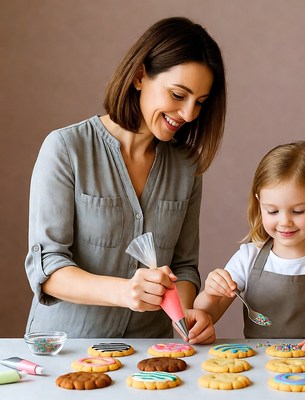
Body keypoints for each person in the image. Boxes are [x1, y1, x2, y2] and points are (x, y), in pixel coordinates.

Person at [25, 17, 227, 344]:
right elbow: (46, 267)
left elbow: (185, 267)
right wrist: (125, 291)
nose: (189, 114)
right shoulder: (66, 148)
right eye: (178, 94)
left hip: (149, 355)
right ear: (138, 77)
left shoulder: (186, 166)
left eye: (200, 102)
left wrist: (186, 311)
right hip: (66, 351)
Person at [194, 141, 305, 356]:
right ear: (259, 203)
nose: (285, 222)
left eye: (297, 211)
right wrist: (211, 294)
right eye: (272, 211)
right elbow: (203, 315)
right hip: (260, 369)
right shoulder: (247, 258)